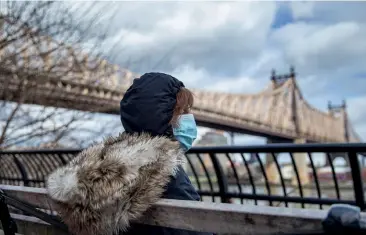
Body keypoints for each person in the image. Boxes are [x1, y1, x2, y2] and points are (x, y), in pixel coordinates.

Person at [120, 72, 211, 235]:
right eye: (183, 111)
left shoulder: (112, 166)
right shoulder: (166, 174)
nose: (190, 117)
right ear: (163, 118)